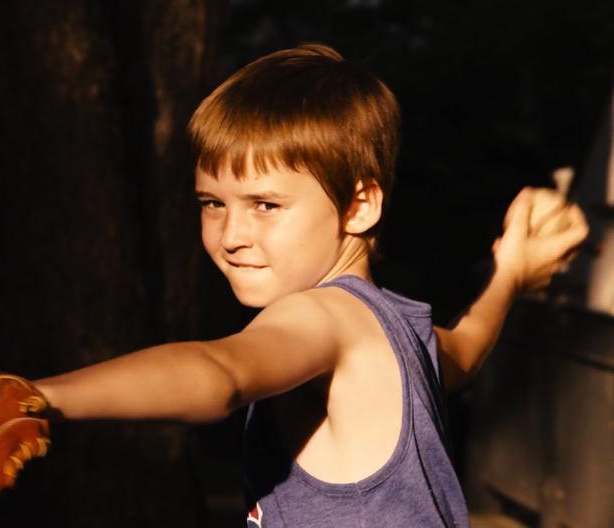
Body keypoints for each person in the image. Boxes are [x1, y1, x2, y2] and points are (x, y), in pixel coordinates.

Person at [32, 44, 588, 527]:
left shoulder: (323, 316)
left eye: (265, 205)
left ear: (359, 205)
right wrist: (510, 272)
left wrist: (37, 396)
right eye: (212, 204)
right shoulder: (394, 325)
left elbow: (220, 373)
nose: (231, 235)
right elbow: (464, 354)